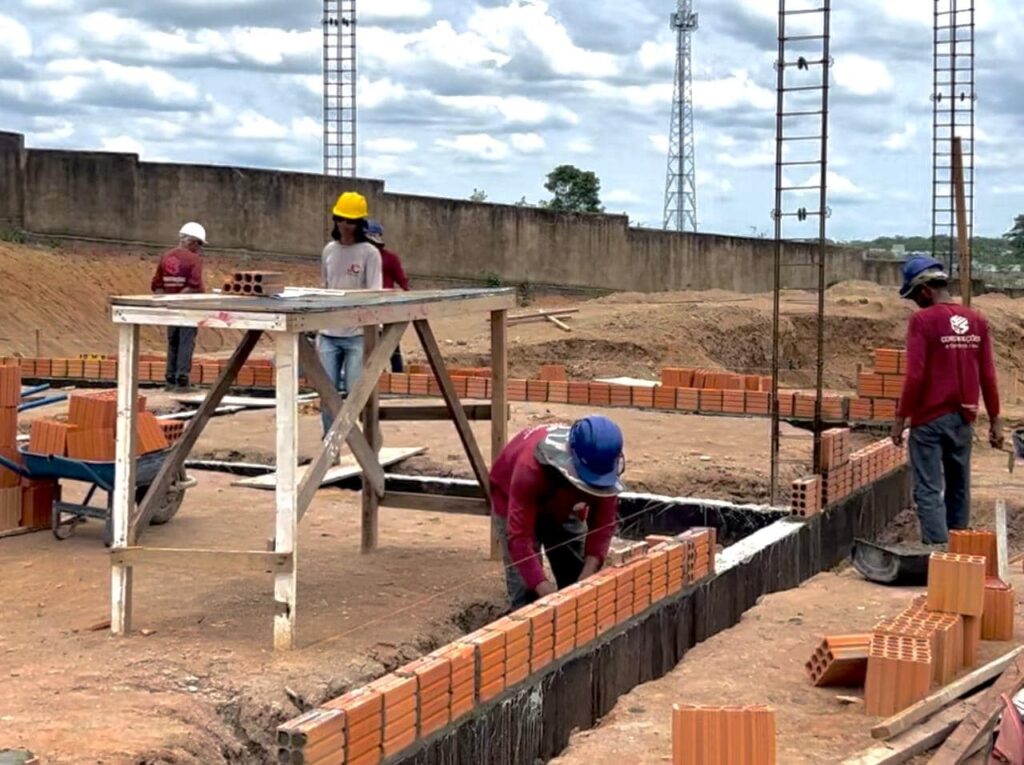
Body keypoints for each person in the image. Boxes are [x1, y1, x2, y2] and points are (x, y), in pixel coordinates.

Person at [891, 255, 1003, 544]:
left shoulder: (923, 320)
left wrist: (900, 418)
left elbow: (915, 376)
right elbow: (988, 375)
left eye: (915, 296)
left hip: (929, 420)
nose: (915, 303)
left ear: (925, 290)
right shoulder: (977, 320)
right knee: (958, 487)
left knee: (928, 490)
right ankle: (958, 554)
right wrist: (995, 420)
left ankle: (939, 554)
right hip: (963, 420)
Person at [490, 415, 626, 608]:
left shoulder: (604, 470)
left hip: (564, 501)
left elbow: (603, 526)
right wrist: (545, 593)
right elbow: (520, 539)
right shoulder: (530, 469)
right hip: (511, 494)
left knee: (575, 569)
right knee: (526, 590)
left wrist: (585, 580)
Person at [318, 192, 383, 433]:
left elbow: (375, 293)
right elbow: (324, 287)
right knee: (328, 394)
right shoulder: (329, 251)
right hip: (328, 333)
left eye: (351, 221)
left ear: (359, 223)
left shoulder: (369, 253)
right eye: (341, 219)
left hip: (356, 335)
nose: (345, 225)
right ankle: (330, 444)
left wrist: (373, 330)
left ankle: (362, 442)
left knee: (357, 394)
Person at [151, 222, 206, 391]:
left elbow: (157, 285)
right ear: (192, 241)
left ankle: (170, 379)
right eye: (199, 244)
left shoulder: (165, 257)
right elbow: (195, 285)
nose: (199, 248)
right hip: (187, 308)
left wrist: (167, 302)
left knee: (173, 341)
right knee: (186, 342)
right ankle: (182, 380)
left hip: (170, 308)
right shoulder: (194, 260)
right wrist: (181, 300)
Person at [365, 219, 410, 373]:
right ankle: (375, 376)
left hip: (386, 306)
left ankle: (397, 376)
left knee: (390, 343)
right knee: (367, 343)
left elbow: (403, 281)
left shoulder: (389, 259)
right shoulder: (358, 258)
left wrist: (409, 302)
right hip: (364, 306)